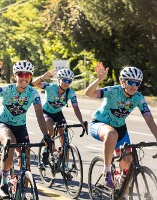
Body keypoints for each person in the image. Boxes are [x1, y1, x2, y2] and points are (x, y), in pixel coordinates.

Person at [0, 60, 51, 198]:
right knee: (10, 141)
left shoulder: (33, 94)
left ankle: (19, 189)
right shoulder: (6, 89)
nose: (24, 77)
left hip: (20, 127)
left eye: (27, 75)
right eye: (20, 74)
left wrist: (46, 135)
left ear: (30, 77)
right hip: (3, 125)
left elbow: (40, 116)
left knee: (26, 162)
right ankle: (4, 183)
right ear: (15, 76)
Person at [85, 62, 157, 199]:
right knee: (112, 134)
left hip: (120, 129)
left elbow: (149, 119)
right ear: (122, 82)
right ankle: (107, 170)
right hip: (99, 124)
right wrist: (99, 79)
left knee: (127, 166)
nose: (133, 86)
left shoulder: (138, 98)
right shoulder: (113, 91)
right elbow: (88, 93)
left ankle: (121, 191)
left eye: (137, 83)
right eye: (130, 82)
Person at [32, 68, 86, 169]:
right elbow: (35, 83)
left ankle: (65, 165)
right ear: (58, 80)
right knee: (50, 127)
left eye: (69, 81)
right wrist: (43, 77)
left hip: (58, 113)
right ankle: (45, 149)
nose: (66, 83)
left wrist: (81, 122)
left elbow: (76, 108)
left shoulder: (71, 93)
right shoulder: (50, 87)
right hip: (46, 112)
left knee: (65, 140)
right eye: (64, 80)